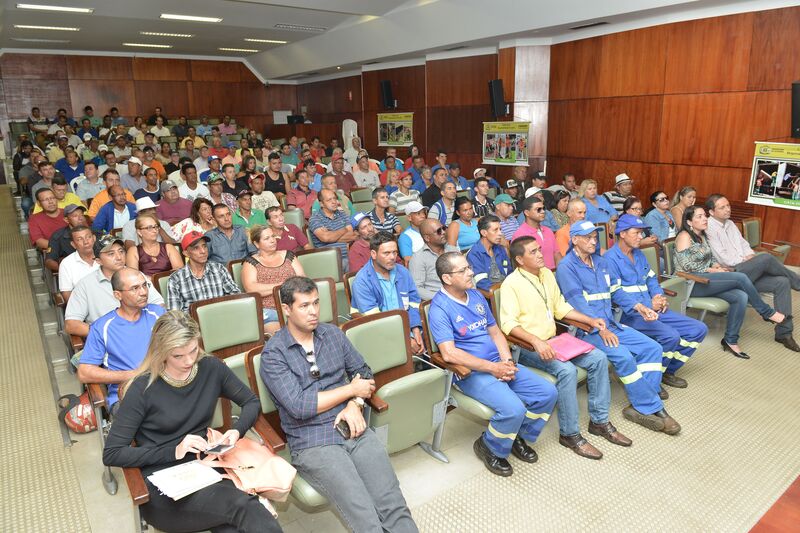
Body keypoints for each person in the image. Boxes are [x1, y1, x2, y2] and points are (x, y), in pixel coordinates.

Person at [261, 276, 417, 532]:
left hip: (352, 424)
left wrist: (355, 403)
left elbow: (364, 372)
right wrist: (351, 390)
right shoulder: (274, 354)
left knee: (393, 504)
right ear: (287, 309)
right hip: (313, 440)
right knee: (365, 517)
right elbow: (300, 406)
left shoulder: (332, 334)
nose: (313, 311)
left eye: (316, 303)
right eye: (304, 305)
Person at [103, 310, 281, 533]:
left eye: (193, 351)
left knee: (234, 523)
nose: (188, 361)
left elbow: (251, 402)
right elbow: (112, 453)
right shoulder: (142, 388)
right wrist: (174, 451)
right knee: (245, 507)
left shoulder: (210, 368)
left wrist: (236, 431)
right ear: (161, 352)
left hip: (206, 468)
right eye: (178, 356)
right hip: (163, 485)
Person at [499, 236, 631, 459]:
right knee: (567, 371)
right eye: (533, 252)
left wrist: (590, 320)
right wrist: (536, 341)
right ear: (520, 259)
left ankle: (599, 422)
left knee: (598, 358)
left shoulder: (546, 274)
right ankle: (569, 434)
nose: (540, 254)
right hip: (529, 347)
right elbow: (508, 324)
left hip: (554, 341)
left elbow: (560, 308)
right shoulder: (511, 284)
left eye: (539, 249)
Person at [429, 252, 557, 476]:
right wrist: (493, 369)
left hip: (499, 363)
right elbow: (449, 354)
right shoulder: (439, 308)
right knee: (513, 409)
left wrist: (507, 361)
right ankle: (489, 446)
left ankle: (515, 435)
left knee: (547, 393)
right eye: (463, 270)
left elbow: (495, 332)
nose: (471, 273)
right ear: (447, 278)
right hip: (472, 373)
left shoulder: (476, 296)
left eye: (469, 267)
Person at [556, 220, 680, 434]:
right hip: (586, 330)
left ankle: (642, 404)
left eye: (595, 237)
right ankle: (654, 408)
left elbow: (616, 291)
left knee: (652, 348)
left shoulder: (600, 261)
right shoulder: (566, 267)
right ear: (574, 240)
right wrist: (600, 329)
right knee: (624, 356)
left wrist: (639, 307)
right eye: (587, 238)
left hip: (611, 323)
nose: (593, 241)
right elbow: (578, 304)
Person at [605, 215, 708, 388]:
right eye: (637, 233)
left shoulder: (638, 254)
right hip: (629, 315)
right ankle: (651, 380)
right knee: (670, 336)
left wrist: (658, 296)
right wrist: (647, 305)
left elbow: (651, 279)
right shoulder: (609, 259)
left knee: (698, 329)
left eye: (642, 233)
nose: (641, 237)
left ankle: (666, 371)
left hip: (652, 308)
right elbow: (616, 293)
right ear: (622, 233)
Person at [704, 195, 800, 352]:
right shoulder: (709, 228)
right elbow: (723, 258)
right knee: (766, 258)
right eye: (722, 207)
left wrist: (750, 256)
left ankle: (784, 333)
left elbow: (744, 245)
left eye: (728, 205)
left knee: (782, 282)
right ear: (711, 212)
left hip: (746, 270)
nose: (727, 209)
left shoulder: (730, 224)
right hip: (731, 273)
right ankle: (798, 283)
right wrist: (746, 259)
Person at [78, 267, 165, 409]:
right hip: (128, 393)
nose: (143, 292)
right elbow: (84, 372)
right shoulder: (102, 327)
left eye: (145, 285)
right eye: (135, 288)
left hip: (165, 385)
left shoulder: (158, 314)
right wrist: (134, 375)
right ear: (118, 295)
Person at [65, 235, 164, 338]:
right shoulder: (85, 285)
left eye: (121, 251)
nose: (119, 257)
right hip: (108, 339)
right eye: (111, 254)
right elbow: (71, 324)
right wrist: (107, 334)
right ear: (98, 261)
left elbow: (159, 305)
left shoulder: (137, 276)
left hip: (145, 332)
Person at [350, 232, 425, 353]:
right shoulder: (362, 281)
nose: (392, 257)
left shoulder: (403, 272)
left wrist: (415, 329)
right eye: (386, 253)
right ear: (373, 254)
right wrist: (406, 339)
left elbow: (413, 303)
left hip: (407, 327)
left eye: (395, 252)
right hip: (378, 333)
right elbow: (376, 321)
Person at [243, 225, 305, 333]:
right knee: (285, 335)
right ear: (256, 244)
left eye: (273, 236)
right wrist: (284, 285)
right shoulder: (250, 262)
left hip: (295, 306)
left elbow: (303, 280)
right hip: (269, 311)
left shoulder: (289, 255)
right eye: (267, 238)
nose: (272, 240)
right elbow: (251, 288)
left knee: (307, 330)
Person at [167, 231, 241, 312]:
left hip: (222, 315)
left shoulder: (219, 269)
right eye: (196, 248)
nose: (203, 251)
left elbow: (236, 296)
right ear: (186, 253)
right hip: (192, 320)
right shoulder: (176, 279)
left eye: (204, 246)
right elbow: (175, 314)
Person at [308, 189, 356, 271]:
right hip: (329, 260)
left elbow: (352, 235)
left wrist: (331, 235)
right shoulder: (315, 218)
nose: (334, 202)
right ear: (321, 204)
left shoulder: (342, 214)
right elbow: (325, 238)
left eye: (334, 198)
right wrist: (344, 230)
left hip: (348, 255)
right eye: (329, 200)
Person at [126, 213, 184, 277]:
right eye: (149, 228)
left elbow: (180, 272)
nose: (155, 231)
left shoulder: (169, 247)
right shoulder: (133, 251)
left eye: (156, 227)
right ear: (139, 232)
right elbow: (133, 277)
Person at [513, 195, 561, 269]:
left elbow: (557, 254)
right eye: (538, 209)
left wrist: (560, 273)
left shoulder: (548, 231)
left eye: (543, 208)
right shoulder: (519, 235)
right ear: (527, 213)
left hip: (552, 274)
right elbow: (518, 263)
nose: (543, 211)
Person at [466, 215, 511, 291]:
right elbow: (482, 283)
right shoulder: (474, 254)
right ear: (484, 233)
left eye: (500, 229)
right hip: (491, 293)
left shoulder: (500, 248)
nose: (500, 233)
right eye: (495, 230)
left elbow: (510, 271)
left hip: (507, 288)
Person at [57, 226, 98, 301]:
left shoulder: (106, 256)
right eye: (79, 239)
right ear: (73, 244)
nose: (86, 242)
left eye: (88, 237)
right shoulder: (66, 264)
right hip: (83, 304)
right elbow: (66, 293)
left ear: (94, 238)